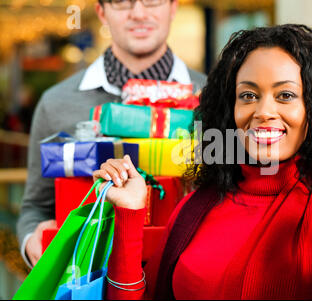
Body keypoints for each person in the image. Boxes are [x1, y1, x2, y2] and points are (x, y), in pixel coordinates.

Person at [94, 24, 312, 300]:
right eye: (248, 95)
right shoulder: (197, 206)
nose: (263, 111)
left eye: (285, 95)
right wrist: (130, 213)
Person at [17, 0, 207, 268]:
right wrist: (31, 241)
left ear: (173, 7)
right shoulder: (56, 102)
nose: (139, 13)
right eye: (121, 2)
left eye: (152, 0)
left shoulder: (212, 97)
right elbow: (35, 208)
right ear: (101, 12)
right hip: (89, 277)